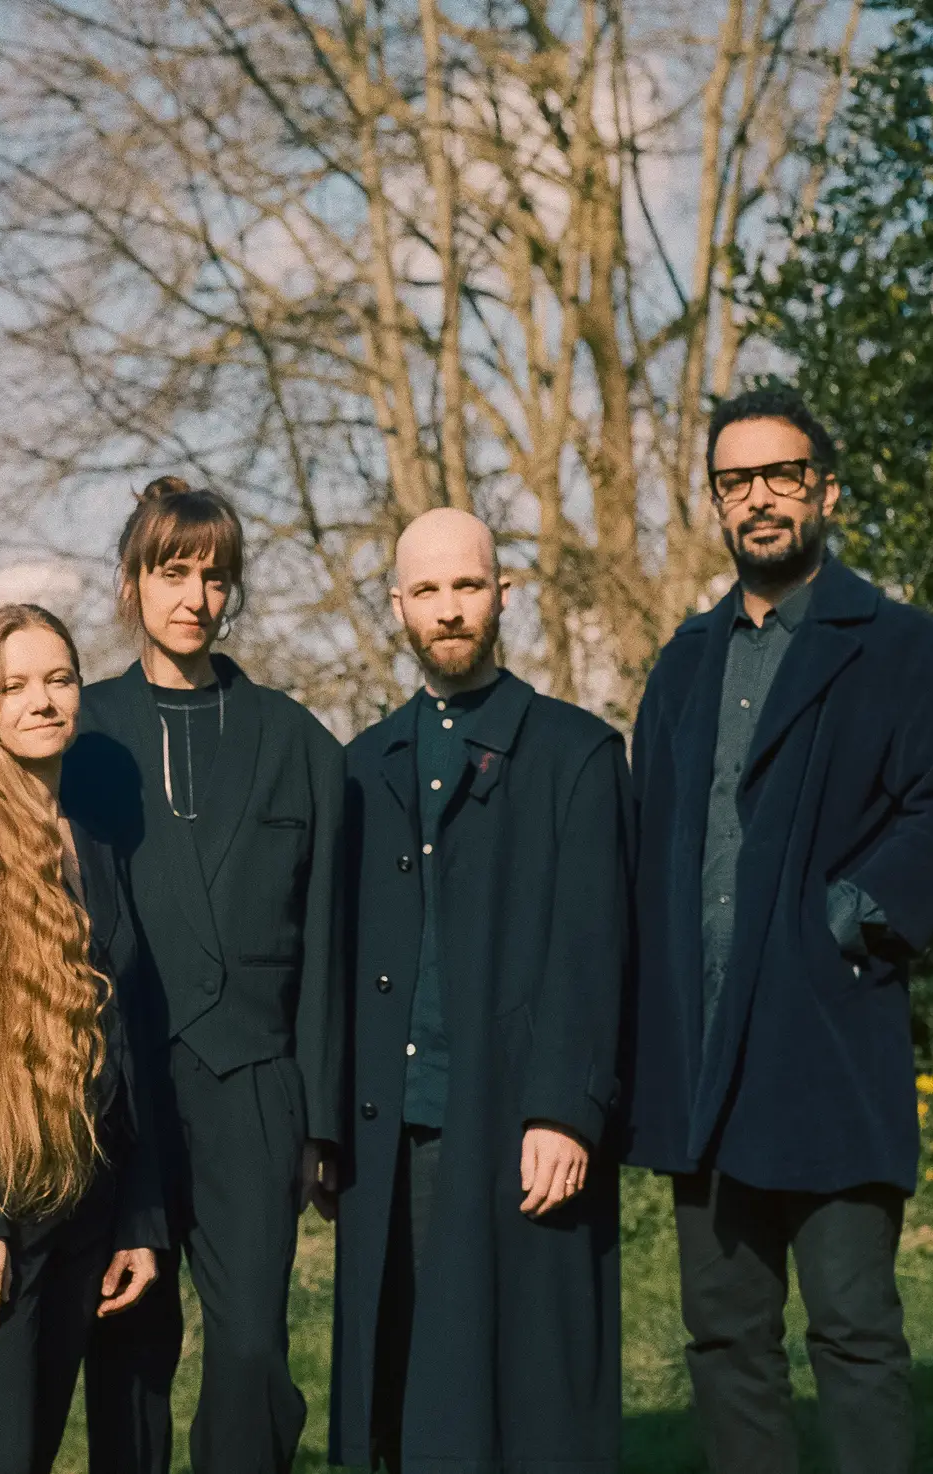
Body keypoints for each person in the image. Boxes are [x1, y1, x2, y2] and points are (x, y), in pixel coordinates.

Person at [625, 385, 933, 1474]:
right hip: (705, 1060)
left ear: (825, 490)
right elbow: (653, 838)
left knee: (853, 1330)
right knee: (727, 1337)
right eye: (735, 482)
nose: (760, 499)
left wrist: (852, 917)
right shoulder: (685, 661)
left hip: (830, 1040)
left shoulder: (897, 645)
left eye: (781, 475)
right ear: (717, 504)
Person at [327, 507, 631, 1471]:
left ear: (505, 593)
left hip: (518, 1129)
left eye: (468, 586)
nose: (449, 609)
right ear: (398, 607)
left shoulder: (577, 754)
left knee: (529, 1402)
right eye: (428, 591)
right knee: (409, 1396)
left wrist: (566, 1113)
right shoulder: (364, 764)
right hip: (394, 1136)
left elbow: (595, 948)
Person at [64, 477, 346, 1474]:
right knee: (129, 1353)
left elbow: (328, 941)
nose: (194, 595)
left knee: (250, 1351)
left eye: (214, 575)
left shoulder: (298, 741)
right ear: (132, 581)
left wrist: (323, 1122)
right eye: (171, 571)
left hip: (256, 1087)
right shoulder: (79, 731)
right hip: (122, 1093)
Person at [0, 603, 166, 1474]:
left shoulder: (94, 845)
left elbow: (124, 1043)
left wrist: (137, 1214)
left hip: (87, 1204)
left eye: (58, 680)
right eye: (14, 686)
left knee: (38, 1450)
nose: (42, 701)